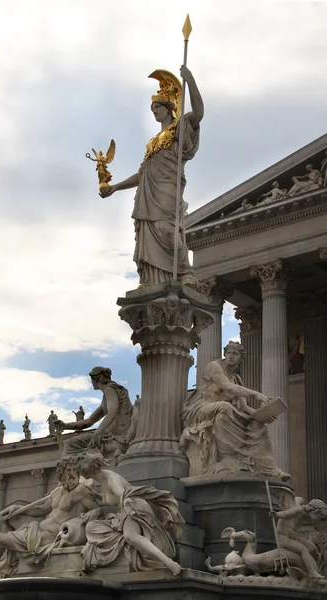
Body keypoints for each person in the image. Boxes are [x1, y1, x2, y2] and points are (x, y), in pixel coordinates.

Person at [99, 66, 204, 288]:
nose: (154, 112)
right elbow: (142, 173)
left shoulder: (179, 130)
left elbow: (199, 113)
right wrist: (115, 187)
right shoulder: (152, 142)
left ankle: (186, 272)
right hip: (147, 195)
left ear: (169, 108)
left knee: (168, 229)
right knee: (147, 235)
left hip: (167, 189)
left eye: (157, 107)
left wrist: (191, 81)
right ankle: (151, 279)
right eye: (152, 108)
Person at [0, 457, 101, 582]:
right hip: (37, 528)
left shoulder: (81, 491)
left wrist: (81, 520)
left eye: (75, 470)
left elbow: (97, 509)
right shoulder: (57, 492)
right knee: (9, 518)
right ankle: (3, 566)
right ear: (61, 474)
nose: (72, 474)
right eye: (68, 471)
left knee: (1, 540)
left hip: (50, 537)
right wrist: (18, 508)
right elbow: (40, 510)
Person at [180, 341, 289, 480]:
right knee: (225, 407)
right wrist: (256, 394)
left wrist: (262, 416)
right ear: (224, 354)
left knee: (259, 426)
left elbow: (244, 407)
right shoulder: (214, 366)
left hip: (221, 410)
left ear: (240, 358)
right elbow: (227, 387)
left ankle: (271, 469)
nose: (231, 356)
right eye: (228, 353)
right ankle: (227, 458)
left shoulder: (236, 379)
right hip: (199, 409)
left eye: (235, 354)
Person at [75, 452, 184, 576]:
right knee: (91, 527)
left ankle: (169, 563)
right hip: (124, 513)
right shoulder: (102, 479)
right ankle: (118, 543)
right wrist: (97, 495)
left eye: (80, 472)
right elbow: (113, 498)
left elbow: (123, 495)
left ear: (87, 471)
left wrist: (126, 503)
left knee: (130, 536)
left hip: (135, 508)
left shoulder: (111, 479)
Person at [55, 367, 132, 460]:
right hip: (111, 432)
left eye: (91, 379)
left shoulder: (110, 390)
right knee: (73, 445)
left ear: (96, 379)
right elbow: (89, 421)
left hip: (116, 434)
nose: (91, 382)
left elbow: (112, 413)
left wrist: (97, 433)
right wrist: (65, 426)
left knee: (69, 444)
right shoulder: (108, 394)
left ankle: (69, 470)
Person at [272, 496, 327, 580]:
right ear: (313, 512)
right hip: (283, 538)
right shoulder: (298, 510)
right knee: (303, 550)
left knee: (312, 548)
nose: (318, 520)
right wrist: (276, 514)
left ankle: (317, 569)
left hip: (292, 537)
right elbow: (286, 513)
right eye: (318, 518)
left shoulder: (306, 515)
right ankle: (312, 572)